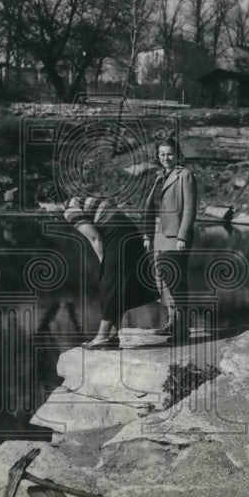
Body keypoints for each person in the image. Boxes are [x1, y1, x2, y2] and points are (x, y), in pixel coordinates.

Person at [64, 196, 158, 350]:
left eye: (45, 208)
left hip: (117, 231)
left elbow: (96, 237)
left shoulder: (69, 210)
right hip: (128, 228)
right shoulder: (77, 201)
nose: (47, 214)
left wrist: (104, 262)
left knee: (109, 285)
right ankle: (113, 337)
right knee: (120, 284)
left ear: (52, 201)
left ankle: (102, 337)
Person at [142, 138, 198, 340]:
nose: (166, 158)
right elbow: (151, 208)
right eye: (162, 154)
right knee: (163, 283)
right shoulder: (159, 178)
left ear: (178, 154)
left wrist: (183, 236)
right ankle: (172, 323)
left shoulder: (185, 175)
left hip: (176, 236)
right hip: (158, 235)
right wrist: (148, 234)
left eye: (170, 154)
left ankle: (183, 330)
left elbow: (190, 209)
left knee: (176, 281)